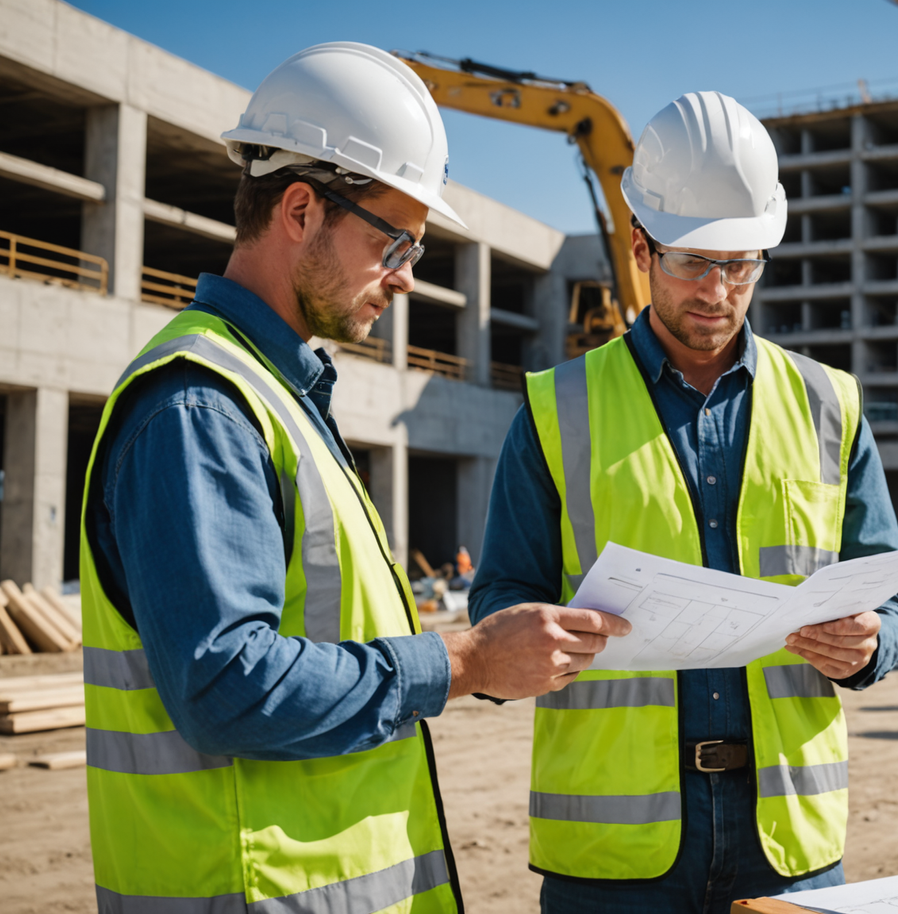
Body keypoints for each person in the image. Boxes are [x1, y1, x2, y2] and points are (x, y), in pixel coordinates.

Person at [79, 43, 628, 912]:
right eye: (392, 240)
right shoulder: (202, 409)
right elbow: (226, 686)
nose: (408, 275)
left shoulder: (278, 398)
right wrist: (468, 658)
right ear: (299, 208)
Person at [468, 91, 898, 912]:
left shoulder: (830, 404)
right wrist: (536, 641)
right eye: (693, 263)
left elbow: (888, 601)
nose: (718, 290)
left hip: (785, 843)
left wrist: (872, 641)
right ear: (640, 247)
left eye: (741, 264)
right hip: (615, 857)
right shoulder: (556, 408)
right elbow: (498, 596)